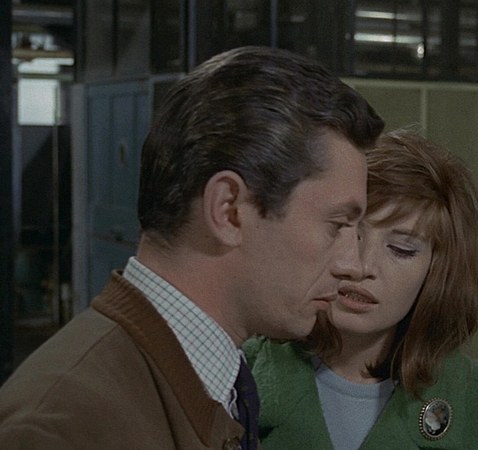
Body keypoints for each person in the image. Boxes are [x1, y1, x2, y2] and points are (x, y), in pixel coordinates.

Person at [0, 46, 384, 448]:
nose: (354, 265)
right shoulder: (57, 431)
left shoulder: (219, 377)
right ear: (229, 210)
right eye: (337, 225)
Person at [244, 129, 478, 449]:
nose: (362, 266)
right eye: (350, 234)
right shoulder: (235, 377)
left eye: (400, 249)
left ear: (437, 274)